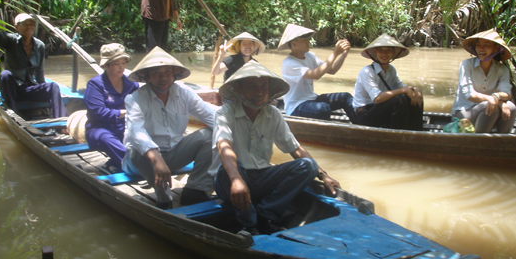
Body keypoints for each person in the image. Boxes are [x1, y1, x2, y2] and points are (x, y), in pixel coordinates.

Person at [210, 61, 341, 235]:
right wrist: (236, 180)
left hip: (263, 178)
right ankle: (249, 225)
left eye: (263, 87)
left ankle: (267, 214)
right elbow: (224, 146)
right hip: (230, 181)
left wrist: (323, 175)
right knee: (230, 168)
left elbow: (295, 149)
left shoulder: (273, 114)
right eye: (252, 86)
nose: (259, 92)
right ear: (239, 90)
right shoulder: (224, 112)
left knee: (307, 165)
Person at [122, 47, 215, 209]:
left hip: (173, 155)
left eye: (167, 72)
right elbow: (136, 133)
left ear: (174, 74)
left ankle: (195, 191)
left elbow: (212, 118)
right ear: (147, 76)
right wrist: (157, 159)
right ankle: (164, 200)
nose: (163, 77)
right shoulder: (135, 99)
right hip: (140, 162)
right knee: (138, 147)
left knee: (212, 133)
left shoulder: (185, 94)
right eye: (156, 73)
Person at [0, 5, 67, 118]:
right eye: (25, 24)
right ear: (17, 27)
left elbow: (40, 73)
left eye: (31, 24)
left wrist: (44, 91)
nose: (29, 27)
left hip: (29, 89)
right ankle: (14, 113)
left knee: (53, 87)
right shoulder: (11, 41)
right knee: (5, 75)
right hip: (14, 90)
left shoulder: (39, 45)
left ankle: (61, 121)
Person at [279, 23, 353, 120]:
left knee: (345, 97)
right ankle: (325, 134)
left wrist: (343, 54)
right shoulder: (289, 63)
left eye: (308, 39)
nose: (308, 42)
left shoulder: (309, 55)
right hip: (296, 106)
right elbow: (316, 74)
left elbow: (332, 69)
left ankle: (361, 126)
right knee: (322, 108)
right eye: (304, 40)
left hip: (312, 99)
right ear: (294, 44)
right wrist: (335, 53)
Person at [83, 44, 139, 169]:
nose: (122, 67)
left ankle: (117, 163)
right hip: (100, 128)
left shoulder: (131, 83)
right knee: (106, 138)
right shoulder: (95, 84)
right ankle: (136, 166)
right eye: (116, 64)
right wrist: (126, 112)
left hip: (126, 127)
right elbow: (98, 112)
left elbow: (143, 104)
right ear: (106, 65)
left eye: (123, 63)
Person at [352, 34, 424, 130]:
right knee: (399, 100)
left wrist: (415, 89)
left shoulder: (391, 70)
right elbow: (377, 98)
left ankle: (416, 131)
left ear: (393, 52)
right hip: (365, 114)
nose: (384, 54)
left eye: (388, 50)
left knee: (415, 95)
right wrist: (404, 90)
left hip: (380, 109)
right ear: (375, 52)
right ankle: (397, 136)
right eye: (381, 50)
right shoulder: (367, 71)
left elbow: (401, 87)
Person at [451, 29, 516, 133]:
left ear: (496, 48)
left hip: (487, 109)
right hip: (464, 112)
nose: (481, 48)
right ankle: (480, 141)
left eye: (486, 45)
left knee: (511, 107)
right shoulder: (466, 65)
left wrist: (496, 98)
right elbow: (469, 94)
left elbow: (506, 93)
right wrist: (494, 100)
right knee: (490, 106)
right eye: (478, 44)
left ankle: (502, 142)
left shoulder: (502, 69)